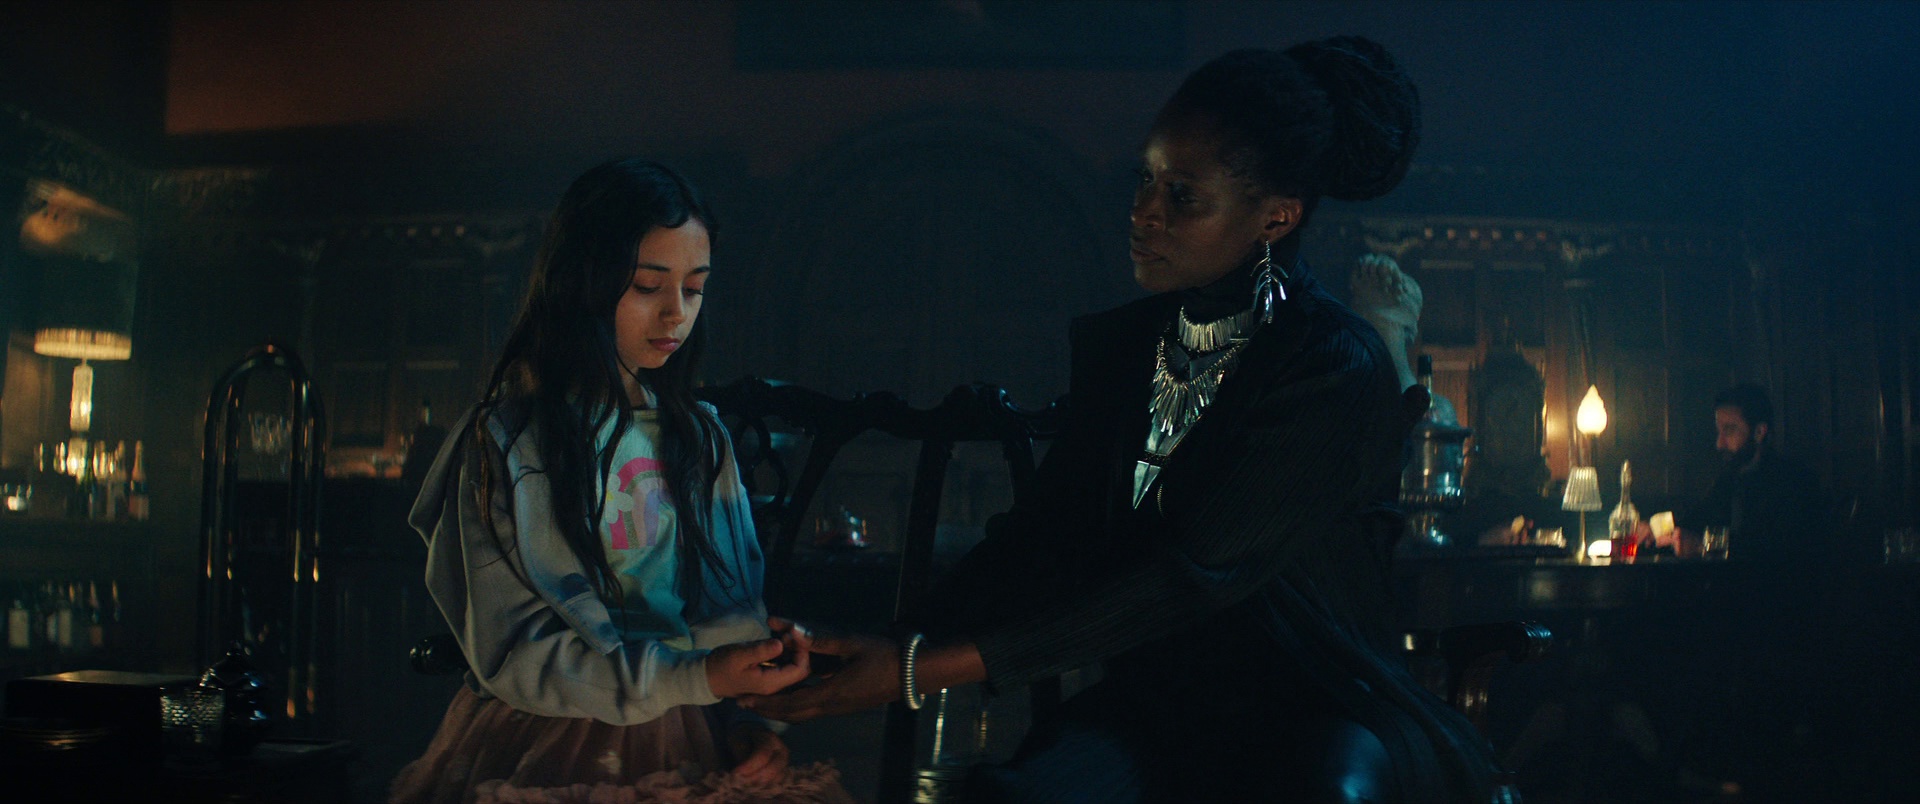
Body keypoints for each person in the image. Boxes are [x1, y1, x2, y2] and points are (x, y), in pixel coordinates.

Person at [744, 39, 1501, 803]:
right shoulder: (1131, 348)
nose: (1143, 213)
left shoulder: (1334, 366)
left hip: (1320, 702)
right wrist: (888, 644)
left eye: (1182, 195)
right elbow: (1042, 538)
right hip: (1164, 709)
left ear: (1276, 216)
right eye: (1145, 178)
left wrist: (913, 672)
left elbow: (1187, 577)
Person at [389, 159, 850, 804]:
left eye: (695, 289)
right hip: (547, 732)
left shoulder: (697, 437)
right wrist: (697, 678)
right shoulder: (508, 443)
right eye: (647, 286)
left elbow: (729, 608)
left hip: (692, 726)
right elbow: (516, 650)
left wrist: (745, 717)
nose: (676, 313)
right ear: (582, 283)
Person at [1676, 383, 1826, 560]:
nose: (1719, 443)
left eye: (1729, 431)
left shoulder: (1794, 482)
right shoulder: (1729, 479)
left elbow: (1776, 549)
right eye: (1719, 431)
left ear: (1759, 432)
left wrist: (1703, 546)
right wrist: (1663, 531)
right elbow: (1698, 519)